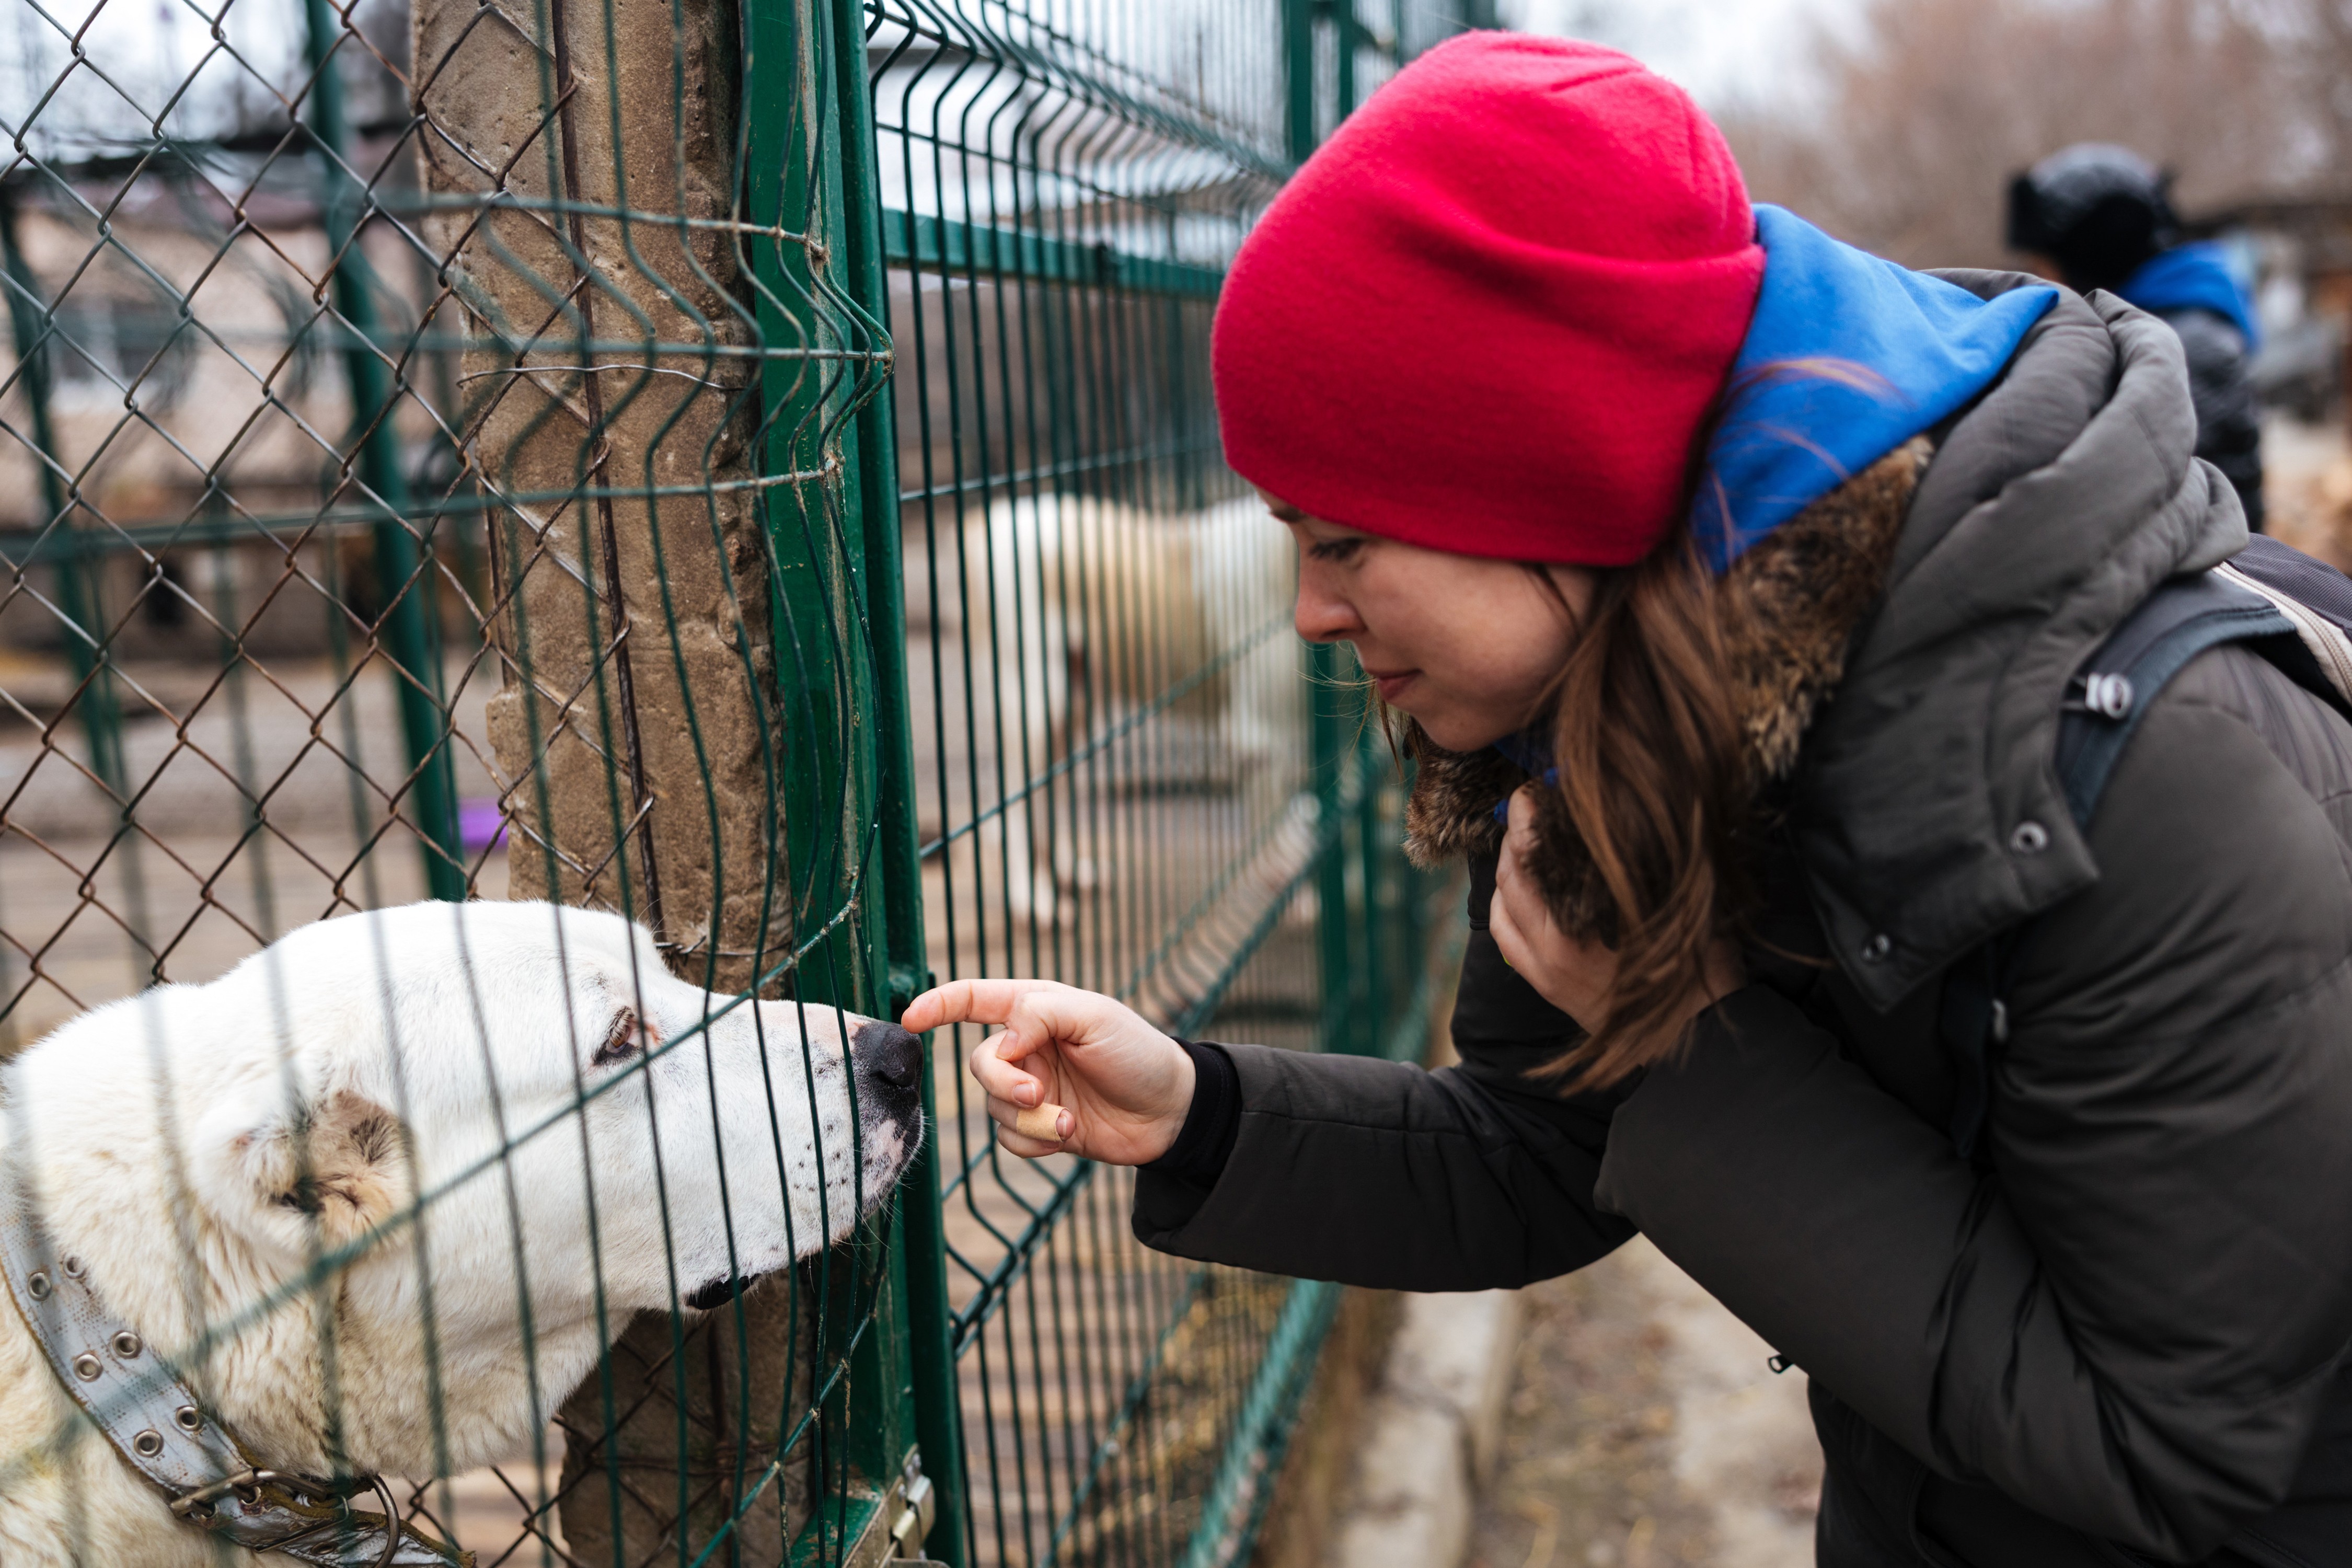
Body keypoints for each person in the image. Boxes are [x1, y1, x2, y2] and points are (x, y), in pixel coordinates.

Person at [903, 36, 2352, 1568]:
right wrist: (1202, 1116)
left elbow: (2183, 1450)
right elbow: (1554, 1148)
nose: (1311, 612)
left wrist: (1699, 1045)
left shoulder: (2153, 773)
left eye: (1344, 541)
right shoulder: (1617, 700)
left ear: (1545, 487)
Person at [2010, 143, 2267, 529]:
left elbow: (2154, 492)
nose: (2042, 278)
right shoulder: (2160, 322)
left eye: (2047, 264)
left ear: (2093, 254)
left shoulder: (2188, 344)